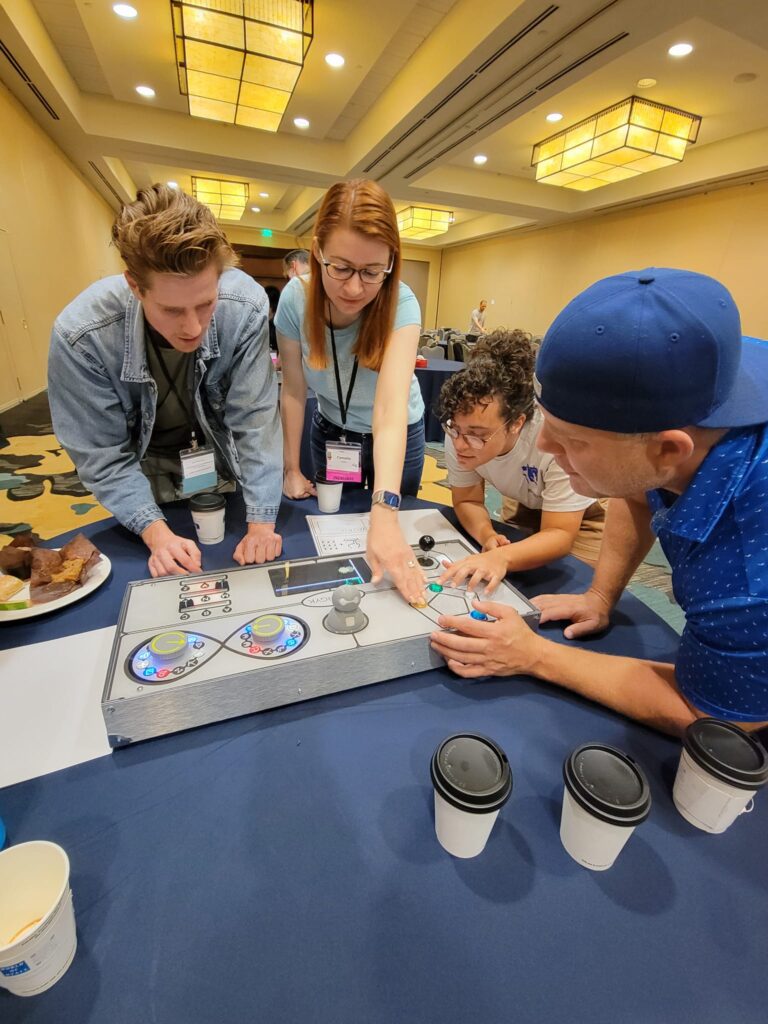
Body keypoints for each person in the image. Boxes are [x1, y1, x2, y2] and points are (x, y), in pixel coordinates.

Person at [431, 268, 768, 736]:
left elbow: (715, 719)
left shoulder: (748, 570)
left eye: (572, 440)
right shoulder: (704, 382)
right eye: (548, 424)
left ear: (669, 450)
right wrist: (600, 593)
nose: (544, 446)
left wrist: (534, 655)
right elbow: (637, 490)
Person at [49, 184, 283, 578]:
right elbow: (102, 456)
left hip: (215, 457)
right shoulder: (81, 335)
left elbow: (255, 421)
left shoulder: (244, 306)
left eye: (206, 303)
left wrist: (260, 525)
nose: (192, 327)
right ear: (134, 286)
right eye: (172, 309)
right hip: (140, 464)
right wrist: (157, 535)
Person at [274, 178, 426, 604]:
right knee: (332, 529)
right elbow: (293, 388)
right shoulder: (294, 300)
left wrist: (385, 508)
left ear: (392, 263)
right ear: (317, 251)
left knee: (392, 531)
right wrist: (291, 467)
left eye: (372, 272)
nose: (354, 288)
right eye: (340, 267)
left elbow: (390, 409)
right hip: (333, 431)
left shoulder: (403, 305)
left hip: (397, 436)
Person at [436, 329, 605, 594]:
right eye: (454, 429)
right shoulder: (463, 427)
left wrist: (500, 557)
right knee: (511, 585)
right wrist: (487, 535)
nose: (459, 443)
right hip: (527, 497)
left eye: (477, 436)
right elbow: (467, 499)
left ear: (516, 423)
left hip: (587, 512)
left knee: (572, 593)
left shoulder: (554, 442)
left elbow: (560, 533)